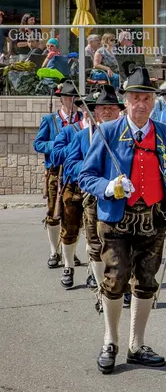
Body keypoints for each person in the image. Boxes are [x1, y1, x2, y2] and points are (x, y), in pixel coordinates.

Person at [78, 66, 166, 375]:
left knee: (146, 281)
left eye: (146, 98)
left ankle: (137, 345)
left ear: (153, 102)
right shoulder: (108, 132)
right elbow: (86, 176)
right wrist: (108, 187)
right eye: (135, 98)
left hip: (153, 220)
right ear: (125, 102)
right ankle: (110, 341)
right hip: (116, 220)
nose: (141, 104)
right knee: (115, 279)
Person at [63, 85, 124, 299]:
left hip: (122, 199)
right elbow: (70, 164)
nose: (107, 112)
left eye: (112, 108)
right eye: (102, 108)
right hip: (92, 198)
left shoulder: (127, 135)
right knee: (95, 244)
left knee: (123, 244)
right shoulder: (83, 136)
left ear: (119, 111)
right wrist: (92, 170)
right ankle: (101, 290)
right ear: (95, 111)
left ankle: (123, 285)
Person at [34, 81, 83, 269]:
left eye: (74, 97)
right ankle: (54, 251)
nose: (71, 100)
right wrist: (58, 144)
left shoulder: (82, 120)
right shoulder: (50, 120)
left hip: (74, 173)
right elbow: (38, 144)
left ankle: (70, 251)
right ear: (61, 98)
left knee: (73, 216)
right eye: (67, 97)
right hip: (55, 172)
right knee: (53, 213)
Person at [49, 82, 89, 289]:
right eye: (88, 109)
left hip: (95, 189)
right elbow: (55, 155)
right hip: (72, 185)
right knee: (69, 228)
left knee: (95, 232)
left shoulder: (103, 132)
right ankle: (68, 265)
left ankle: (93, 270)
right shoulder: (69, 131)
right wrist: (76, 144)